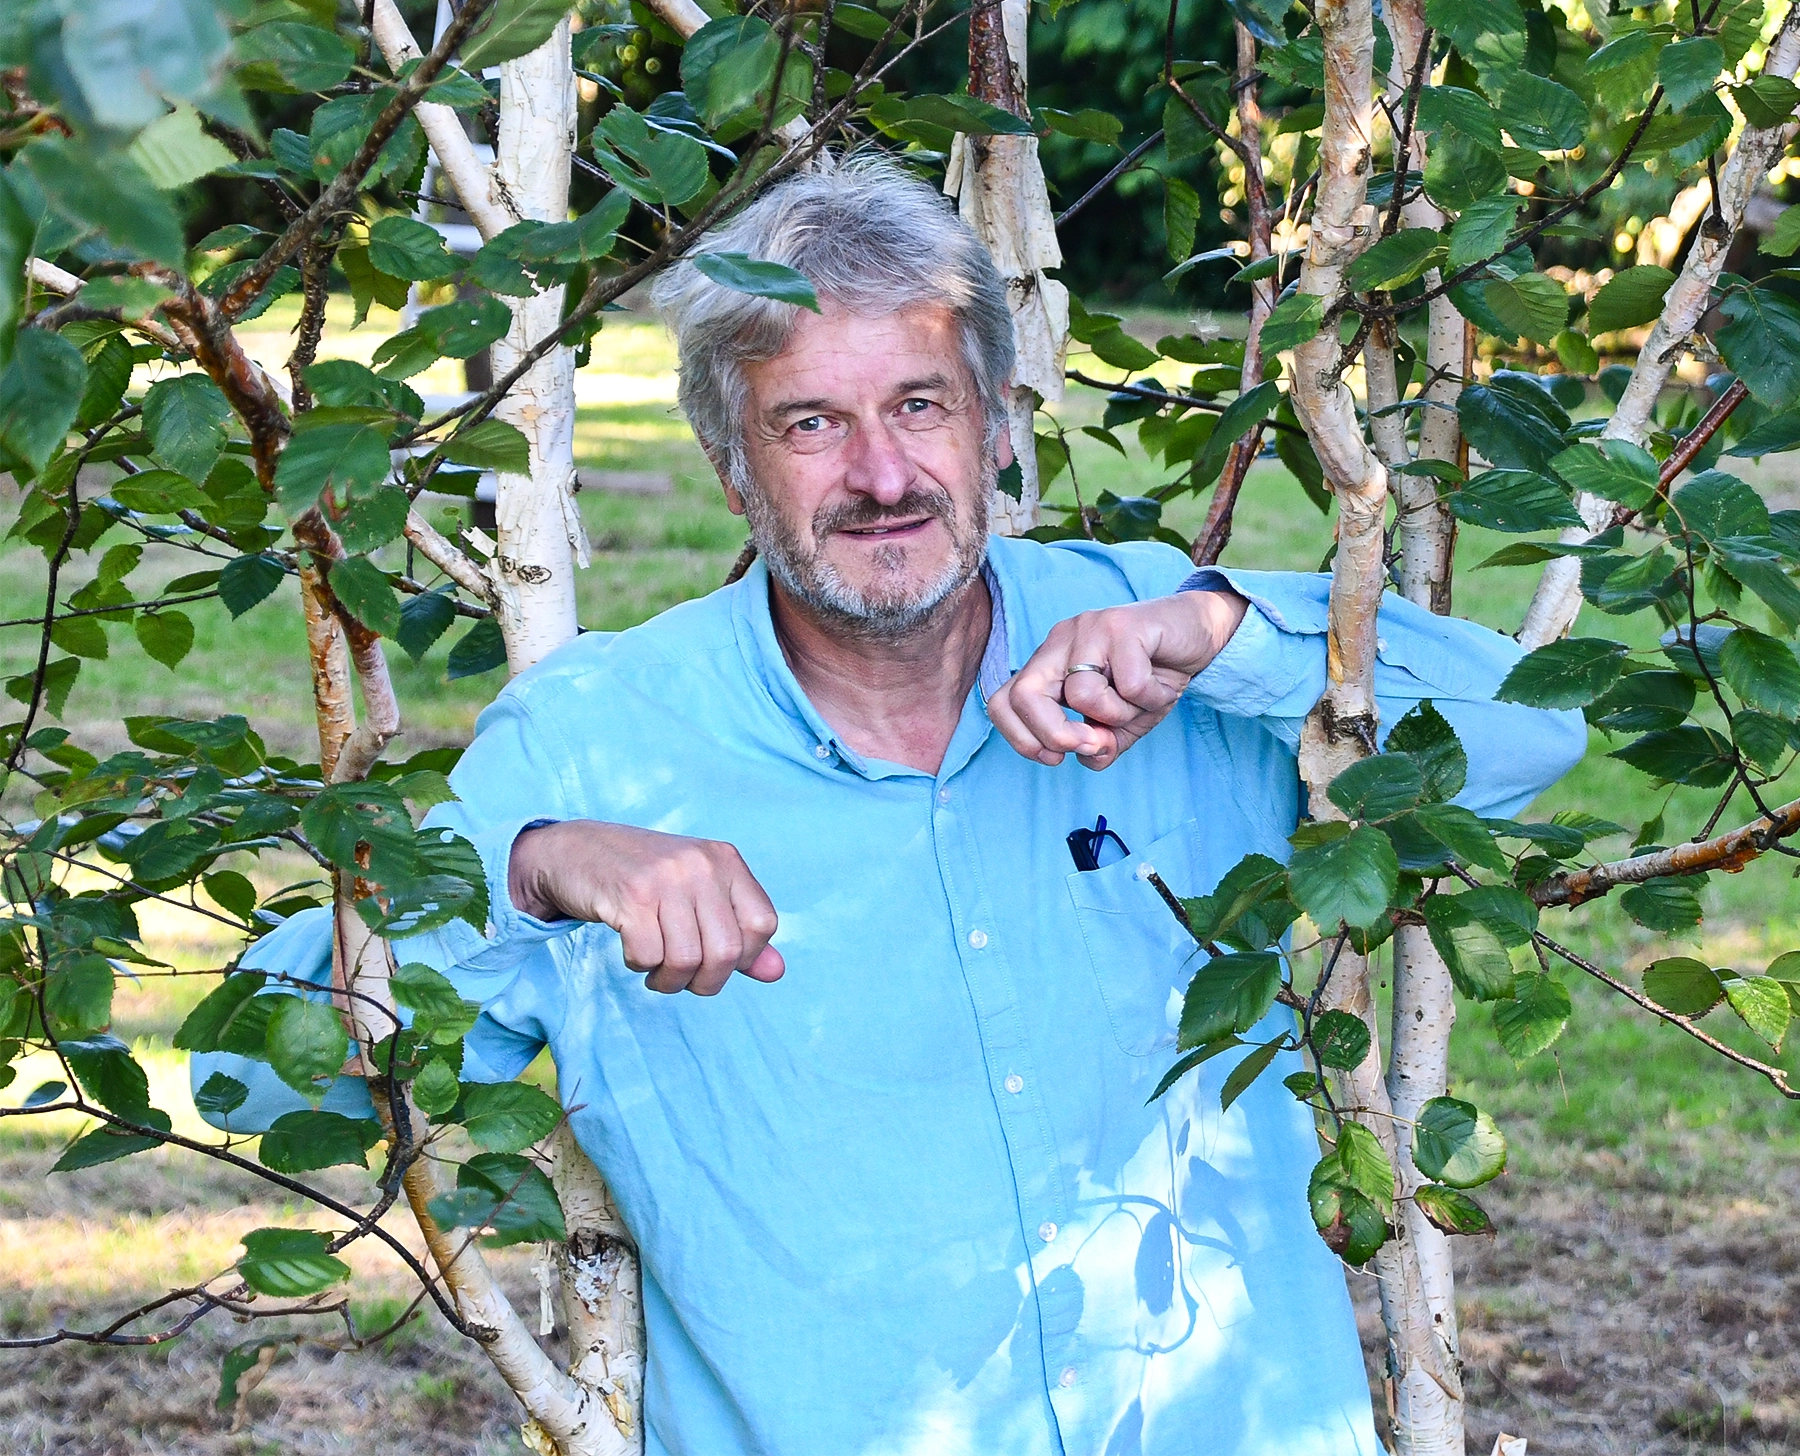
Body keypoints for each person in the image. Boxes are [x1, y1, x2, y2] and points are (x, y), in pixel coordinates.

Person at [197, 155, 1587, 1455]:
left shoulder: (1157, 648)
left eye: (921, 404)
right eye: (811, 423)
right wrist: (533, 867)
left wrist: (1242, 639)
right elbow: (252, 1080)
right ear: (731, 467)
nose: (880, 476)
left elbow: (1541, 730)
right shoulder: (596, 746)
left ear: (991, 428)